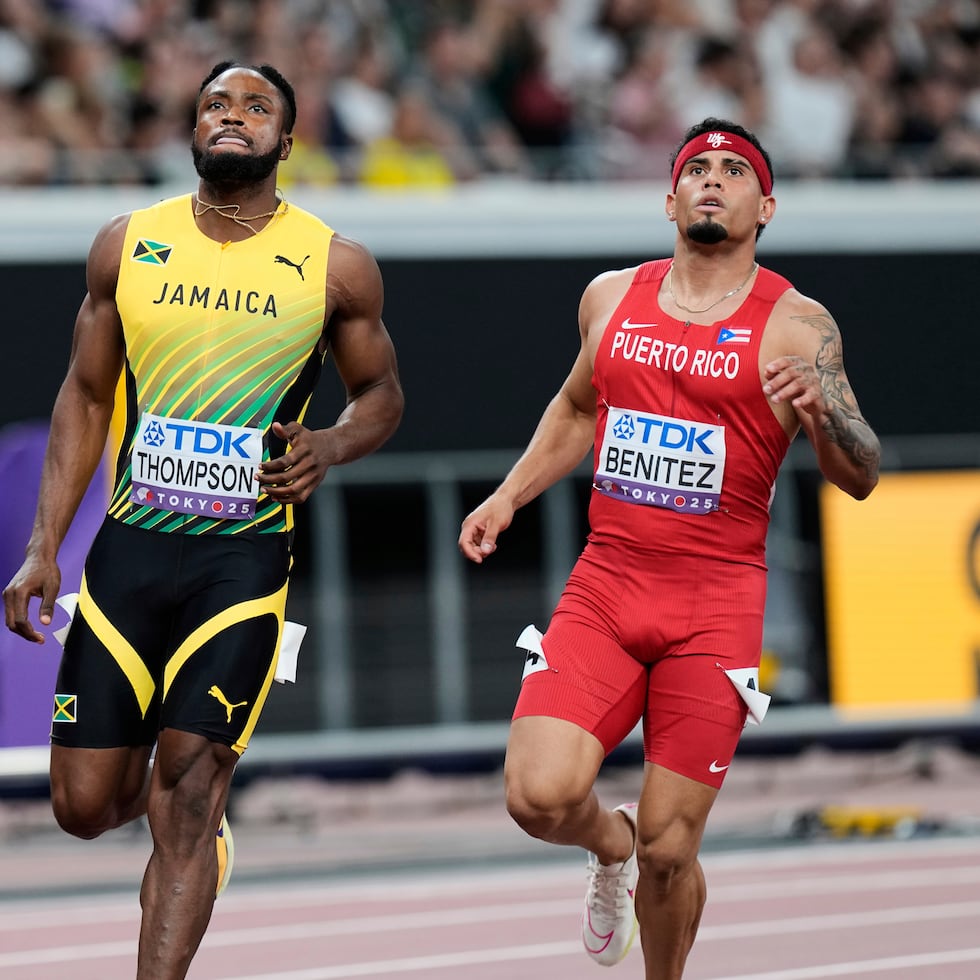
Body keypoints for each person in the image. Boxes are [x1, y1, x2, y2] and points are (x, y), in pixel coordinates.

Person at [2, 60, 403, 979]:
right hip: (130, 555)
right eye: (215, 103)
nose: (232, 116)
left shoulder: (334, 263)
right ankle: (200, 839)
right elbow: (85, 393)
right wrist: (42, 547)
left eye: (256, 107)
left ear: (286, 142)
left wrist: (331, 446)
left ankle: (192, 847)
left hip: (244, 563)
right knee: (83, 803)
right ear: (193, 130)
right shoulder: (125, 244)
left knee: (188, 789)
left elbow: (380, 392)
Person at [458, 117, 880, 978]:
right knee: (537, 796)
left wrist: (823, 412)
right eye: (697, 169)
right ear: (670, 197)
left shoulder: (800, 325)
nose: (713, 181)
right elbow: (578, 409)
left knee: (670, 848)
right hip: (608, 586)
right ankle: (602, 849)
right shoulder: (611, 297)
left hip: (715, 605)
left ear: (767, 204)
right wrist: (508, 495)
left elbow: (861, 471)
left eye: (734, 171)